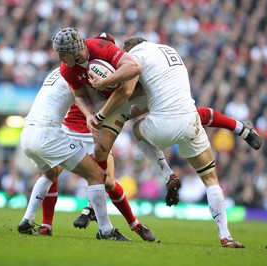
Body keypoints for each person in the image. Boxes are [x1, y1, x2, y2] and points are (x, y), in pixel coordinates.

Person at [87, 36, 247, 248]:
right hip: (191, 120)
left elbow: (127, 91)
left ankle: (167, 172)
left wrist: (103, 102)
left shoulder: (135, 57)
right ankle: (225, 235)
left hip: (162, 126)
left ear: (129, 49)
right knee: (210, 180)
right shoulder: (169, 51)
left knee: (137, 130)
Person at [31, 33, 156, 242]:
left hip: (100, 124)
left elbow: (127, 87)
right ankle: (44, 223)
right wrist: (90, 115)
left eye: (63, 56)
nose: (61, 61)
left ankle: (129, 223)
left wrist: (105, 91)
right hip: (76, 125)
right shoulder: (69, 69)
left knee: (107, 181)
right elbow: (79, 96)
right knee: (53, 173)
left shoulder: (108, 59)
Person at [16, 66, 131, 241]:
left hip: (27, 133)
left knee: (50, 174)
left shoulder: (55, 72)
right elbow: (89, 97)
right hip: (50, 133)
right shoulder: (77, 73)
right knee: (97, 174)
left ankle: (29, 219)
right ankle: (106, 230)